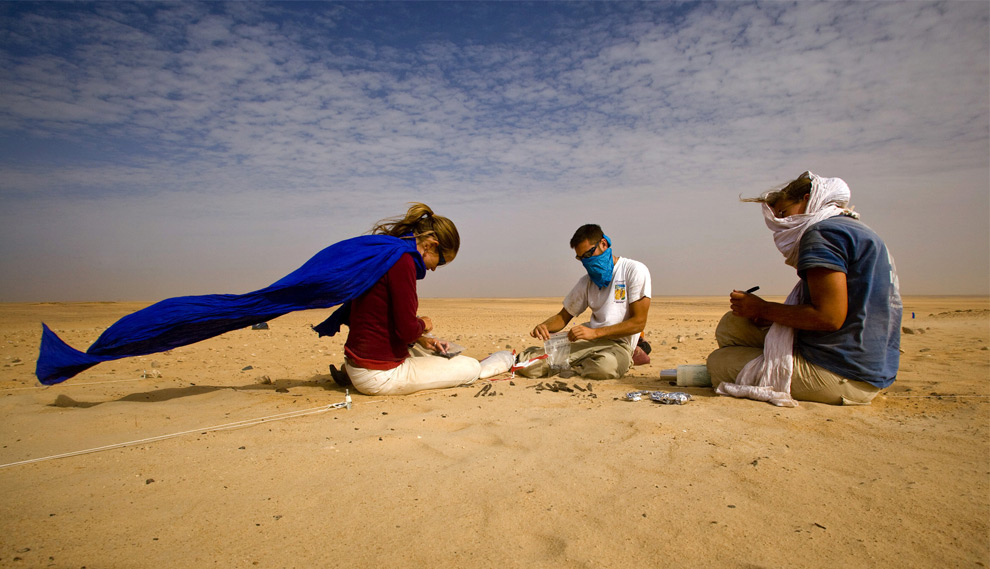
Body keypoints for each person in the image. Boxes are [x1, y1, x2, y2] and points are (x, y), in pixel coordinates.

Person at [707, 171, 901, 406]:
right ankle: (754, 361)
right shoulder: (857, 229)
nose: (779, 222)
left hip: (843, 372)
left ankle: (756, 366)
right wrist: (764, 313)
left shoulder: (823, 233)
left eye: (783, 213)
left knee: (719, 362)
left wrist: (763, 309)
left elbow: (829, 317)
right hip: (870, 365)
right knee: (733, 325)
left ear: (807, 199)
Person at [339, 203, 481, 395]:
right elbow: (406, 331)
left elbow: (386, 319)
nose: (432, 269)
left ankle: (349, 374)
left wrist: (422, 339)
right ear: (431, 245)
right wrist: (423, 324)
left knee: (430, 352)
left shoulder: (388, 252)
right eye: (439, 262)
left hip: (358, 362)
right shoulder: (403, 261)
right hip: (378, 375)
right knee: (471, 367)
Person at [515, 224, 651, 380]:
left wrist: (595, 333)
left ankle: (628, 355)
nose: (586, 262)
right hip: (586, 341)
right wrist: (544, 326)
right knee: (528, 366)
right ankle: (574, 362)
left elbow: (639, 323)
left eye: (588, 254)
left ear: (603, 244)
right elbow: (563, 317)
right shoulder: (587, 282)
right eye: (581, 258)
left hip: (619, 344)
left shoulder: (633, 271)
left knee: (604, 368)